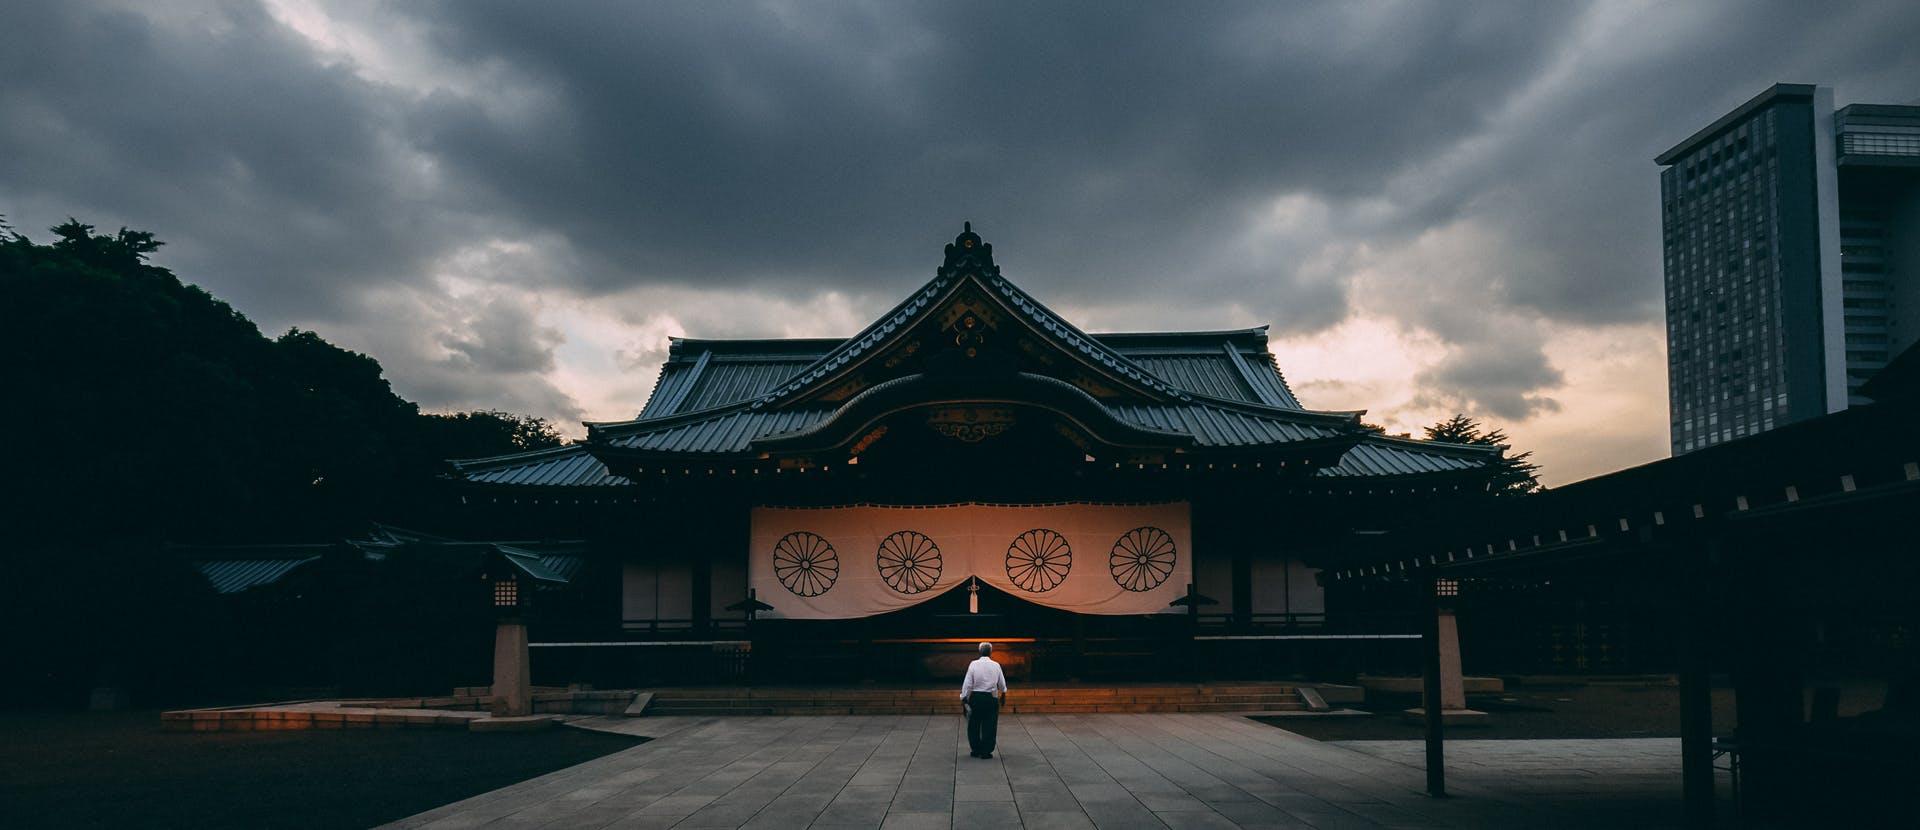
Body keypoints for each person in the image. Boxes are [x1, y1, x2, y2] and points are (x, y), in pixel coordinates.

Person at [961, 641, 1007, 759]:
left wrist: (964, 698)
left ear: (980, 652)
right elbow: (1001, 684)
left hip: (976, 698)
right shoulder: (996, 665)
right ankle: (986, 751)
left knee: (974, 724)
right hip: (991, 698)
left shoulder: (973, 664)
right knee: (990, 724)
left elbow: (968, 684)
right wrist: (1003, 694)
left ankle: (976, 750)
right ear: (991, 652)